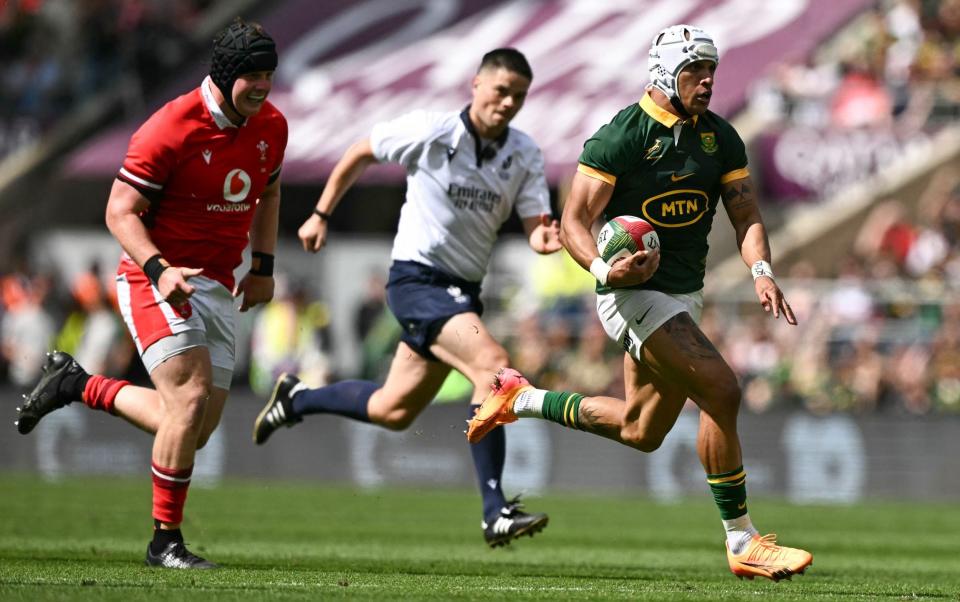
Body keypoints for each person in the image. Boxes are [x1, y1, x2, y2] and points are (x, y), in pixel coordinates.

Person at [467, 25, 814, 581]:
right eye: (695, 72)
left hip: (682, 295)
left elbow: (745, 214)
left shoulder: (719, 137)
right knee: (721, 389)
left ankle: (520, 399)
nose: (707, 82)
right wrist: (606, 269)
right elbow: (575, 221)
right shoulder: (620, 137)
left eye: (711, 72)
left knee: (640, 430)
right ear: (663, 73)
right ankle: (742, 540)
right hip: (629, 294)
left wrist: (763, 270)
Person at [252, 48, 562, 548]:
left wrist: (548, 239)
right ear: (476, 84)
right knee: (494, 368)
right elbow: (360, 151)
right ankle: (494, 510)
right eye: (501, 90)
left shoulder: (524, 153)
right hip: (416, 281)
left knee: (392, 410)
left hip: (461, 295)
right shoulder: (432, 131)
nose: (508, 103)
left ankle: (297, 398)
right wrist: (322, 213)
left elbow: (535, 229)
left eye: (519, 96)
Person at [15, 18, 287, 569]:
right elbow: (119, 211)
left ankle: (77, 384)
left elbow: (270, 189)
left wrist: (262, 266)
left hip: (217, 283)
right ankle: (165, 542)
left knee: (192, 428)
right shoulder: (170, 127)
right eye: (252, 76)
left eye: (268, 75)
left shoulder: (271, 126)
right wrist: (159, 268)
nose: (262, 86)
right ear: (226, 74)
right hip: (154, 276)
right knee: (186, 403)